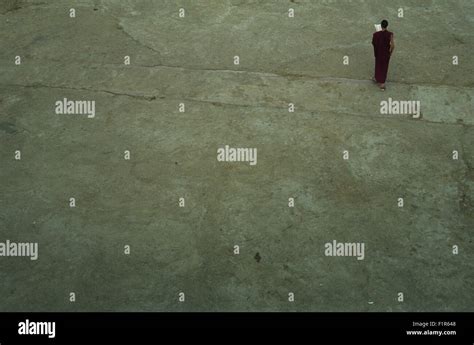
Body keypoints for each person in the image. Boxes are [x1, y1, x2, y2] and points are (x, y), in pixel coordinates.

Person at [372, 20, 394, 91]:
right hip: (386, 54)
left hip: (378, 53)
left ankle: (376, 78)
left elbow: (373, 43)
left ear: (381, 26)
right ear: (387, 26)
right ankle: (382, 84)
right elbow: (393, 46)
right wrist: (390, 53)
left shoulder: (376, 34)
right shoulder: (390, 34)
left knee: (378, 66)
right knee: (384, 67)